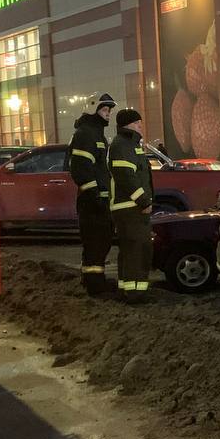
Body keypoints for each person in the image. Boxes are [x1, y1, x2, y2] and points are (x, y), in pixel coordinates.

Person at [65, 92, 116, 296]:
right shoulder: (86, 134)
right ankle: (95, 285)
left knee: (100, 242)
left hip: (98, 199)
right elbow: (80, 169)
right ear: (93, 109)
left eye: (109, 110)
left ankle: (94, 280)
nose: (108, 114)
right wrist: (94, 194)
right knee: (95, 242)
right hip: (91, 202)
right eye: (104, 110)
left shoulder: (96, 134)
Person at [109, 108, 154, 303]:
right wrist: (143, 200)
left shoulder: (129, 144)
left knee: (131, 250)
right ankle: (135, 293)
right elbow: (126, 177)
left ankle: (128, 290)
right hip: (130, 207)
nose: (141, 127)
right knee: (137, 250)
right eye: (137, 124)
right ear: (128, 125)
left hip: (129, 206)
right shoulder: (123, 145)